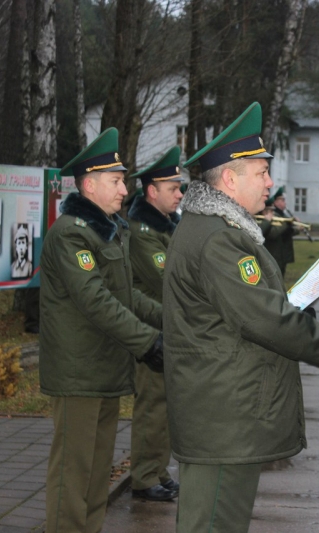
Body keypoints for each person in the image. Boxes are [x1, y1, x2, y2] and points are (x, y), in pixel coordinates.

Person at [163, 102, 319, 533]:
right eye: (262, 172)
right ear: (230, 179)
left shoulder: (215, 229)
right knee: (214, 523)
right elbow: (264, 319)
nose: (270, 183)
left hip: (222, 413)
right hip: (223, 419)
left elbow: (255, 308)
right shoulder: (219, 239)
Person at [39, 127, 165, 533]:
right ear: (89, 185)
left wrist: (173, 319)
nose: (125, 190)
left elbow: (127, 296)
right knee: (73, 472)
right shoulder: (71, 233)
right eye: (116, 181)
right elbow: (96, 301)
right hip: (79, 372)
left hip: (105, 370)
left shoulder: (109, 229)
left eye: (123, 181)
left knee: (96, 472)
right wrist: (148, 342)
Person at [126, 146, 186, 502]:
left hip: (168, 329)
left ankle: (158, 470)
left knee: (165, 406)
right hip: (150, 332)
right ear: (152, 191)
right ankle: (144, 476)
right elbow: (168, 280)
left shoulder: (166, 226)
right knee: (151, 405)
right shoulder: (142, 232)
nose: (179, 194)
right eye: (173, 188)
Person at [261, 186, 297, 276]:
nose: (272, 213)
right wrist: (287, 223)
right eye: (270, 211)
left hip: (281, 252)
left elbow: (287, 233)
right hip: (273, 253)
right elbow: (273, 234)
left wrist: (296, 228)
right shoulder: (266, 219)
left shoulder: (281, 215)